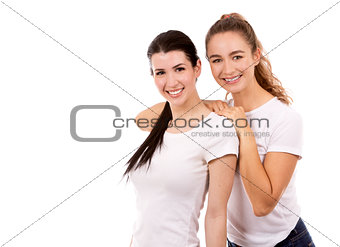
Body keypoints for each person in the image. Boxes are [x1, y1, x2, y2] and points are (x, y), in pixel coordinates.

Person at [137, 14, 315, 247]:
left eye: (237, 57)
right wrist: (202, 106)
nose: (227, 69)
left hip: (285, 242)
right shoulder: (221, 112)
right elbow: (143, 120)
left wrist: (245, 131)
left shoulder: (285, 119)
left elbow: (263, 205)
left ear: (256, 55)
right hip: (234, 242)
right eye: (217, 60)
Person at [124, 30, 239, 247]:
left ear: (197, 67)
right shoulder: (160, 122)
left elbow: (215, 215)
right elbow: (140, 119)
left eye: (179, 69)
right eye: (160, 73)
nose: (171, 82)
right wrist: (202, 102)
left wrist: (200, 107)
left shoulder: (218, 131)